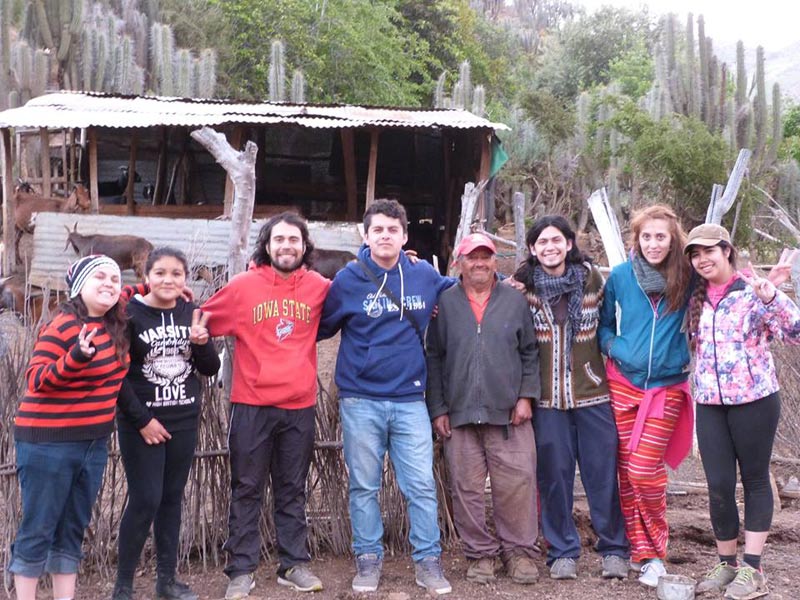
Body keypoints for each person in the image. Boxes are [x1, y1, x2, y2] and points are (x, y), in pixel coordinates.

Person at [318, 199, 454, 595]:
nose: (385, 236)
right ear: (365, 234)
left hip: (411, 399)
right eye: (377, 229)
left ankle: (428, 562)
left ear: (405, 236)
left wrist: (510, 284)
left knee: (421, 486)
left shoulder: (423, 274)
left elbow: (462, 296)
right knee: (364, 486)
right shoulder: (347, 280)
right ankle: (368, 561)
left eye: (393, 230)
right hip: (360, 399)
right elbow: (320, 327)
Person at [201, 213, 331, 599]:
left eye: (294, 239)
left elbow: (355, 297)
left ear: (305, 246)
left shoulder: (319, 288)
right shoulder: (243, 287)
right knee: (246, 488)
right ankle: (241, 570)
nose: (287, 246)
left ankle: (293, 564)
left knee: (292, 489)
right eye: (279, 239)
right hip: (252, 404)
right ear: (267, 244)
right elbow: (201, 320)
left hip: (299, 406)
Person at [684, 224, 799, 600]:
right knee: (718, 485)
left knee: (753, 480)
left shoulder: (752, 291)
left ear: (727, 250)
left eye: (709, 251)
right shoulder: (694, 296)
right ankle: (726, 563)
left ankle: (753, 568)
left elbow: (795, 331)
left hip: (755, 401)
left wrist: (772, 297)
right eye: (695, 254)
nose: (703, 259)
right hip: (710, 403)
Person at [513, 216, 629, 581]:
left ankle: (613, 548)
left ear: (568, 243)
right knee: (554, 477)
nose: (550, 247)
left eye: (556, 240)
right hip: (547, 402)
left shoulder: (593, 279)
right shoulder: (523, 287)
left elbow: (609, 326)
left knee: (602, 474)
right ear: (532, 249)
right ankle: (562, 550)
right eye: (542, 242)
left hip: (593, 396)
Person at [9, 255, 129, 600]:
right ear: (79, 287)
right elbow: (36, 379)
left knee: (73, 528)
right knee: (39, 527)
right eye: (100, 278)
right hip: (49, 444)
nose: (109, 284)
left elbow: (137, 289)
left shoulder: (114, 324)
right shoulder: (64, 325)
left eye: (115, 279)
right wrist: (75, 356)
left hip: (92, 444)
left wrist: (160, 284)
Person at [426, 232, 540, 586]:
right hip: (459, 413)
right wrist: (439, 408)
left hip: (508, 412)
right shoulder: (445, 303)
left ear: (495, 261)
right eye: (471, 257)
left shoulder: (513, 301)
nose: (479, 262)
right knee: (466, 488)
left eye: (485, 256)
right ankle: (480, 554)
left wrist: (525, 396)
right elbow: (434, 357)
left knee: (517, 484)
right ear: (459, 262)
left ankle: (519, 553)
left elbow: (530, 352)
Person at [112, 247, 221, 600]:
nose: (168, 280)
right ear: (146, 277)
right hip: (141, 423)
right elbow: (117, 375)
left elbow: (209, 368)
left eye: (176, 273)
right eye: (160, 273)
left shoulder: (192, 312)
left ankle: (166, 581)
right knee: (145, 499)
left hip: (184, 419)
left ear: (186, 279)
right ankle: (123, 586)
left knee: (172, 498)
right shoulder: (129, 316)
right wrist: (143, 420)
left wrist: (202, 345)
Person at [597, 204, 695, 588]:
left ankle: (656, 548)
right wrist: (617, 348)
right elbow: (604, 324)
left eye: (661, 237)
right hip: (624, 383)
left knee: (644, 471)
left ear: (673, 241)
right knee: (626, 472)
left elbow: (720, 289)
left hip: (666, 387)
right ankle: (641, 554)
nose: (653, 244)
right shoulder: (621, 277)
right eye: (647, 236)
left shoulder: (687, 277)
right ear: (636, 239)